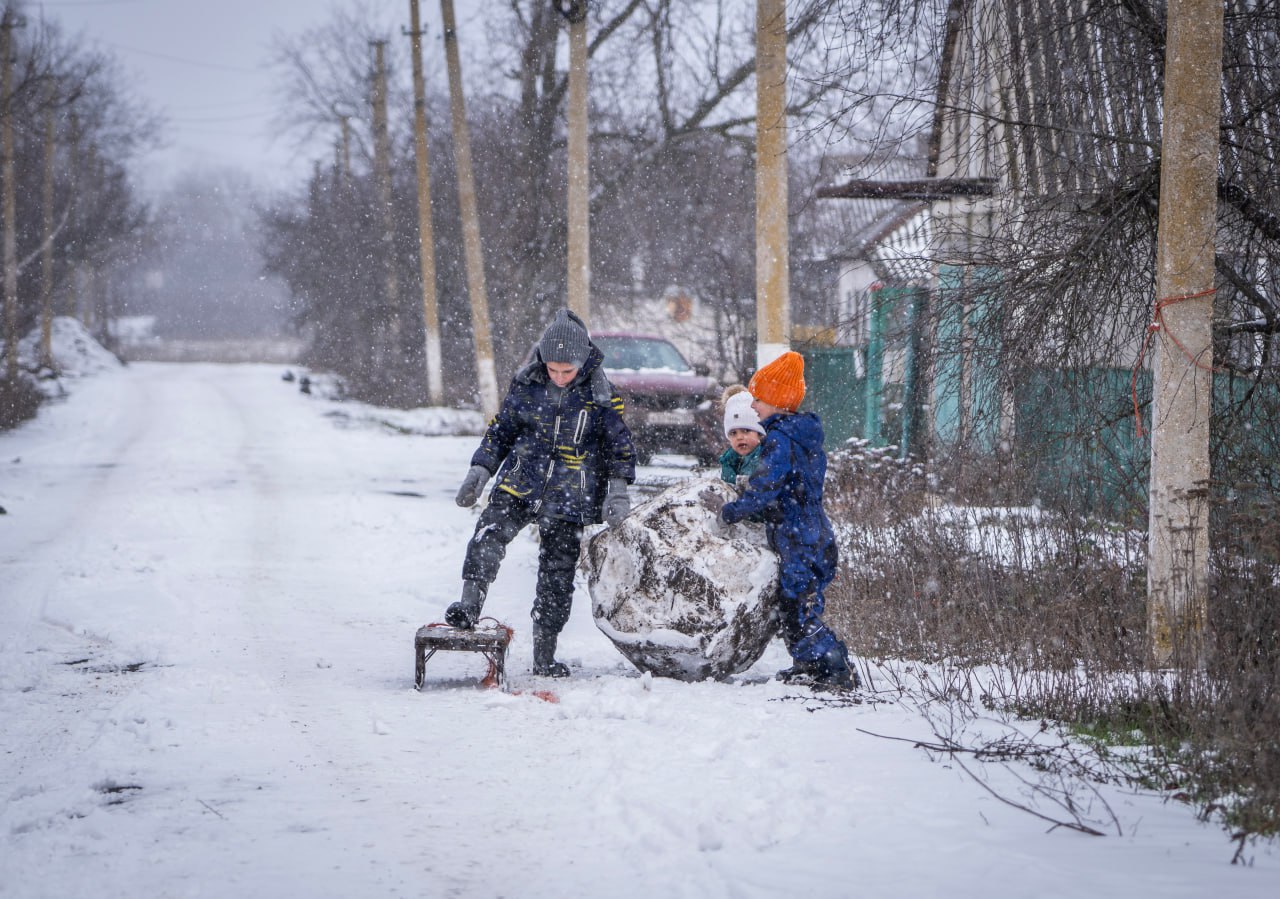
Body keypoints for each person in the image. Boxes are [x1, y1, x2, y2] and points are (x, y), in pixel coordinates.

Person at [446, 308, 636, 677]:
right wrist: (480, 470)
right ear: (543, 361)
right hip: (521, 480)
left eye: (568, 371)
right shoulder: (526, 384)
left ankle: (544, 654)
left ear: (582, 362)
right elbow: (501, 432)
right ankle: (469, 606)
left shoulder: (601, 395)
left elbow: (619, 446)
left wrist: (617, 491)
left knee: (557, 574)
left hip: (571, 493)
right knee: (488, 535)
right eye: (554, 369)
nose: (561, 377)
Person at [704, 351, 858, 690]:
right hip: (807, 536)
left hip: (801, 540)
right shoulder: (799, 435)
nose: (754, 405)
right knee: (791, 606)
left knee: (798, 607)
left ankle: (834, 668)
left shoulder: (781, 440)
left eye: (759, 399)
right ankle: (808, 664)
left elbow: (766, 486)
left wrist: (732, 511)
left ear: (776, 401)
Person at [718, 385, 765, 487]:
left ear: (759, 434)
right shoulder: (729, 460)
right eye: (733, 433)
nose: (739, 437)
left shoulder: (765, 458)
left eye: (746, 431)